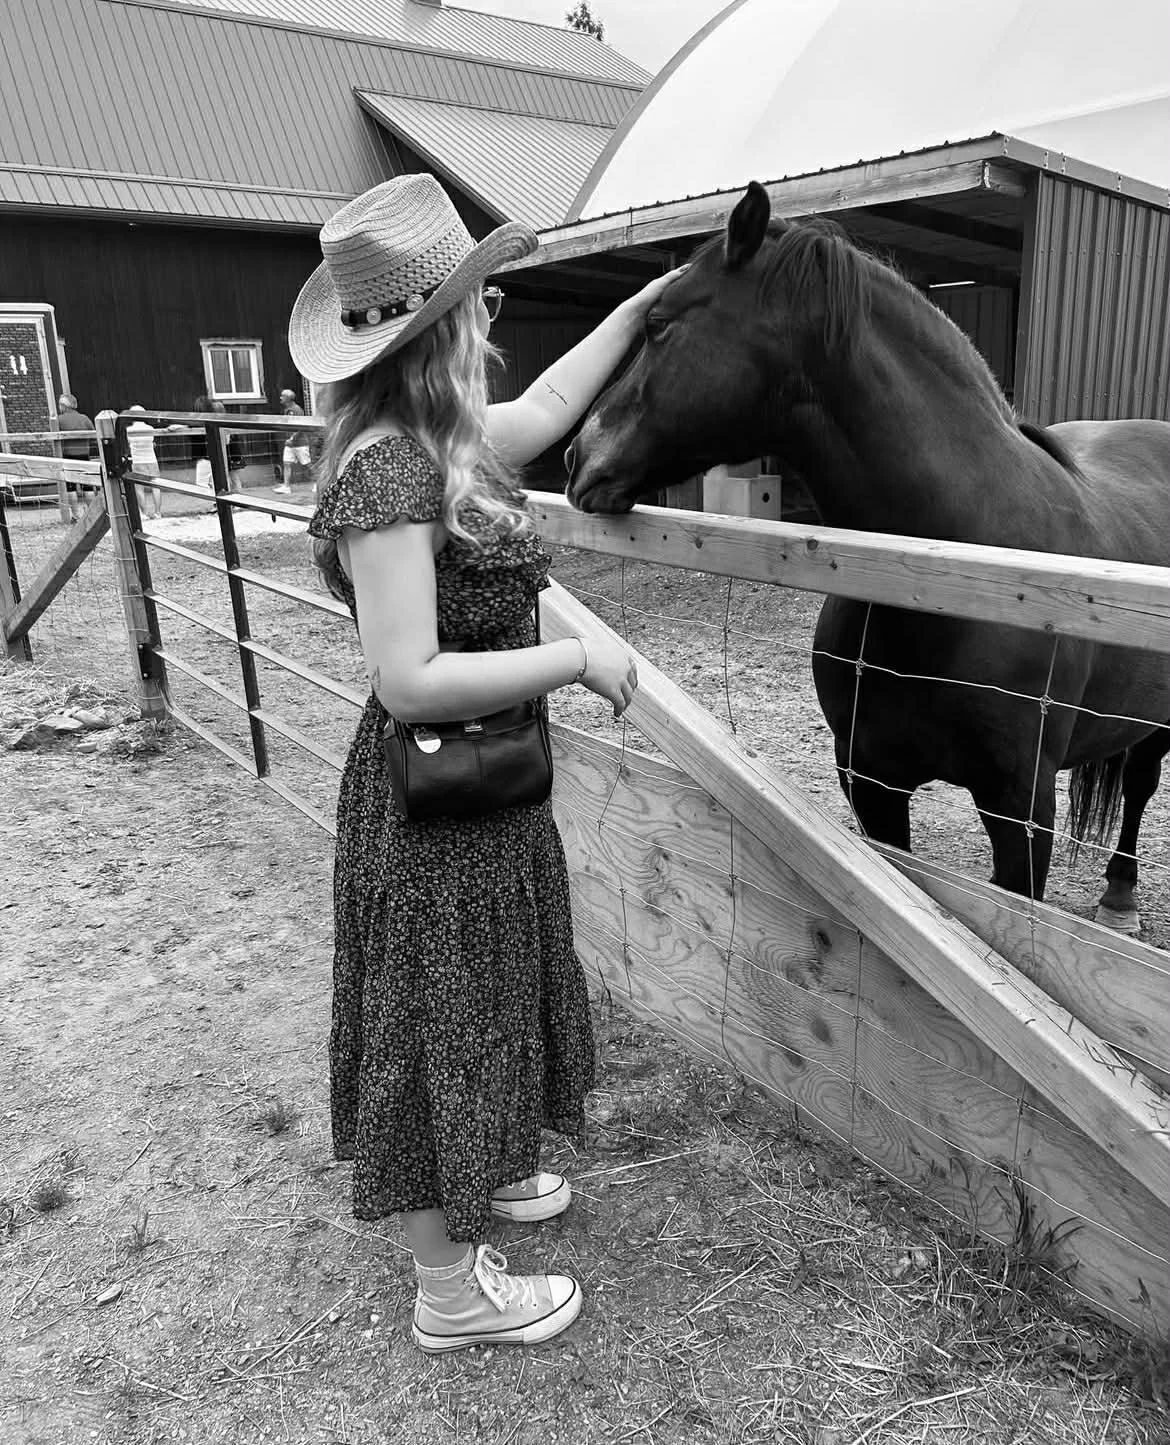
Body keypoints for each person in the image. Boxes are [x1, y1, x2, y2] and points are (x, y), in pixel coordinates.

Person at [290, 174, 681, 1354]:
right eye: (481, 301)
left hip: (480, 791)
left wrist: (653, 303)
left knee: (480, 998)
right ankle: (449, 1292)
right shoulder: (393, 475)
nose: (494, 319)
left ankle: (481, 1175)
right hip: (431, 798)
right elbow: (406, 676)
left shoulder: (442, 445)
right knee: (429, 1023)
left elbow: (556, 405)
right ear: (447, 324)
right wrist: (565, 660)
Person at [56, 392, 96, 522]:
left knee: (70, 486)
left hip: (68, 456)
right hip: (84, 455)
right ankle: (90, 514)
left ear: (63, 405)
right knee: (88, 485)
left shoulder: (59, 420)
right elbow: (93, 435)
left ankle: (76, 514)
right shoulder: (84, 418)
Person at [126, 405, 163, 520]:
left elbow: (128, 445)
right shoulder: (150, 428)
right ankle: (158, 512)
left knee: (139, 487)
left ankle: (144, 513)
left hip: (137, 460)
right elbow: (151, 443)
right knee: (156, 486)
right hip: (151, 459)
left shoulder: (128, 430)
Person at [275, 387, 309, 493]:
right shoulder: (287, 410)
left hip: (300, 443)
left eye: (282, 396)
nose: (280, 398)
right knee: (286, 463)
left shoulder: (297, 410)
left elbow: (301, 426)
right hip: (290, 444)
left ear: (287, 398)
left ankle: (319, 483)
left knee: (307, 464)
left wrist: (292, 438)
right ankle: (286, 486)